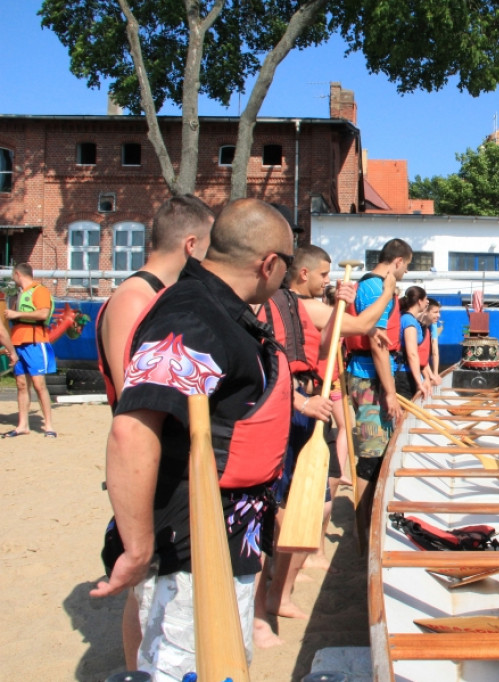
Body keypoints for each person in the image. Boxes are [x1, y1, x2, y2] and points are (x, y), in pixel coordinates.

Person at [89, 198, 297, 682]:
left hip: (228, 534)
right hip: (192, 543)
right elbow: (133, 427)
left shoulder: (225, 311)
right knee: (185, 666)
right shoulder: (193, 316)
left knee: (225, 665)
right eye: (287, 263)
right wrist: (138, 548)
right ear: (269, 263)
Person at [94, 194, 215, 671]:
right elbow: (138, 399)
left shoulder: (158, 298)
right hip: (150, 464)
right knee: (146, 592)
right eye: (209, 249)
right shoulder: (134, 298)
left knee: (161, 590)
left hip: (169, 462)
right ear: (190, 245)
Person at [255, 245, 386, 645]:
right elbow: (363, 325)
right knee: (286, 512)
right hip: (295, 408)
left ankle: (282, 592)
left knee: (311, 505)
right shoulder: (288, 304)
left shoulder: (306, 307)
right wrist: (388, 287)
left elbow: (327, 342)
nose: (328, 280)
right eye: (324, 274)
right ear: (303, 273)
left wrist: (342, 305)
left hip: (312, 403)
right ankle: (270, 599)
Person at [344, 238, 412, 541]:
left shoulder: (376, 287)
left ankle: (371, 521)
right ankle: (364, 531)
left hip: (374, 376)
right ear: (397, 261)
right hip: (369, 379)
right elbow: (377, 343)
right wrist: (388, 391)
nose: (405, 273)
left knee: (381, 451)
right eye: (407, 267)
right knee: (371, 457)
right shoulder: (375, 287)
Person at [4, 263, 57, 438]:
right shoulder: (20, 294)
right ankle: (22, 425)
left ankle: (49, 425)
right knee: (21, 384)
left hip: (34, 342)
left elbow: (43, 313)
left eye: (13, 275)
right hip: (18, 342)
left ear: (18, 274)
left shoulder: (39, 290)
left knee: (39, 384)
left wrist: (16, 315)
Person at [394, 286, 432, 399]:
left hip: (405, 372)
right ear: (419, 301)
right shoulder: (409, 321)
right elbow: (412, 354)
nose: (427, 302)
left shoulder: (405, 317)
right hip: (403, 374)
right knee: (404, 413)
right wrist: (419, 382)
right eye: (426, 299)